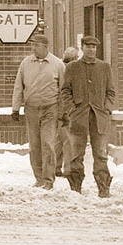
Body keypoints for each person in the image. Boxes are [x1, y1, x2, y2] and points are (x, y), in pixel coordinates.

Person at [60, 36, 116, 197]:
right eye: (88, 46)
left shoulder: (104, 67)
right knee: (77, 154)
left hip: (99, 118)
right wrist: (71, 108)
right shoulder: (72, 67)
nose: (91, 49)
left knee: (100, 153)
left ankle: (103, 188)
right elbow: (65, 91)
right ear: (82, 47)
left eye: (94, 47)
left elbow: (111, 92)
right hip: (79, 118)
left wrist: (106, 108)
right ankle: (76, 188)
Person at [10, 34, 66, 190]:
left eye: (36, 45)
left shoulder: (58, 64)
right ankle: (39, 178)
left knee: (48, 143)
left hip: (50, 108)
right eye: (32, 45)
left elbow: (64, 90)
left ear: (45, 46)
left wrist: (64, 112)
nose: (33, 48)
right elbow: (18, 86)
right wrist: (15, 108)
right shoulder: (26, 63)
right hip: (31, 109)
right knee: (34, 145)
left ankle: (49, 180)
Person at [54, 46, 80, 177]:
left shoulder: (59, 68)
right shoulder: (70, 71)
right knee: (68, 140)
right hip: (66, 110)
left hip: (57, 109)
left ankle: (55, 166)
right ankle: (68, 168)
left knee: (58, 139)